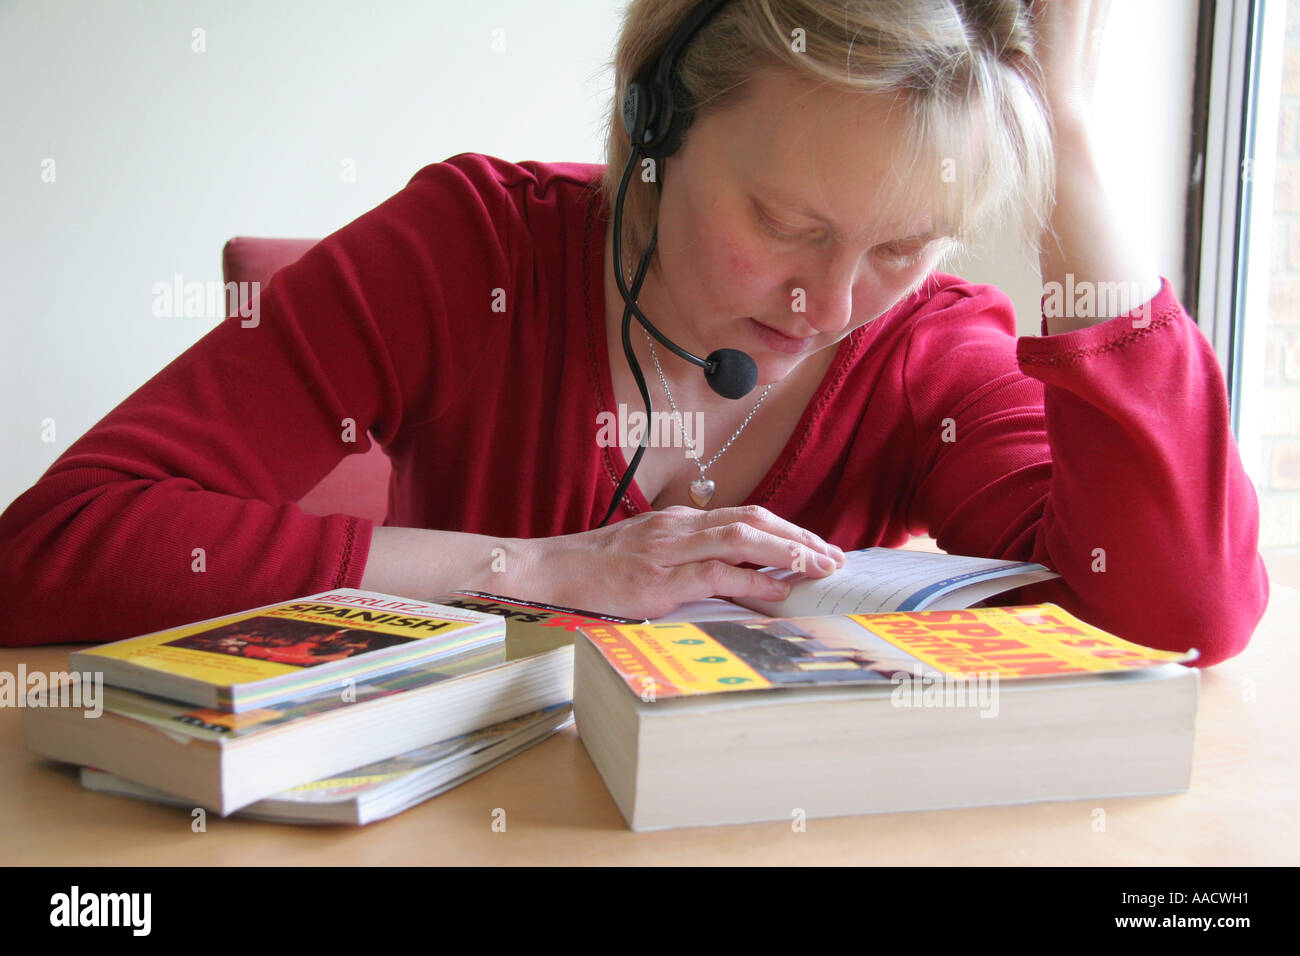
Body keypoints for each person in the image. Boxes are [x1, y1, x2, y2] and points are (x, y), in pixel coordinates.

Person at [0, 0, 1268, 667]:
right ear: (651, 130)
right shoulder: (468, 253)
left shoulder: (926, 350)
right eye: (783, 222)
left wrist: (1076, 141)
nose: (829, 307)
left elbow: (1181, 613)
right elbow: (49, 548)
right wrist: (544, 568)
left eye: (899, 245)